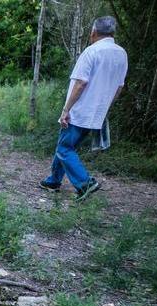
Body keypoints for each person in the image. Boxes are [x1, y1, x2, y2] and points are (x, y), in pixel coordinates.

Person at [40, 16, 128, 202]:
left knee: (65, 148)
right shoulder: (121, 53)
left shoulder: (92, 51)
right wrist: (105, 109)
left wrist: (66, 110)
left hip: (80, 111)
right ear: (112, 33)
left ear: (93, 32)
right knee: (65, 145)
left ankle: (85, 183)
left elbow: (80, 83)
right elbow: (119, 87)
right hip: (97, 113)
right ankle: (53, 181)